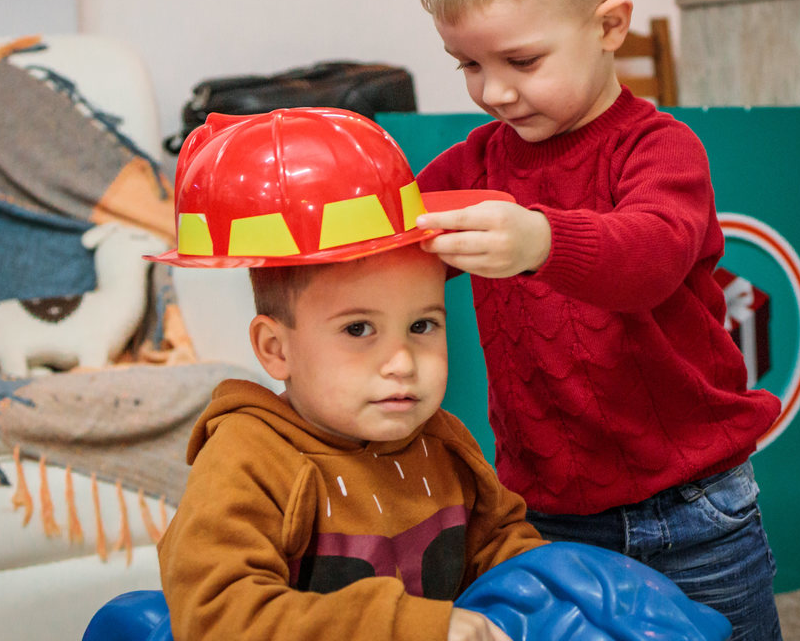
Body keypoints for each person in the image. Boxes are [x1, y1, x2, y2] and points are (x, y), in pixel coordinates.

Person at [415, 0, 784, 641]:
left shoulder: (661, 150)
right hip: (544, 514)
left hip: (692, 513)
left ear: (610, 24)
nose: (494, 93)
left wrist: (539, 239)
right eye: (469, 65)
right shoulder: (478, 164)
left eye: (522, 62)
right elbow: (397, 225)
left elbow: (647, 256)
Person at [150, 108, 546, 641]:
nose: (402, 362)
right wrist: (416, 628)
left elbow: (505, 550)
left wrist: (554, 591)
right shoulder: (248, 461)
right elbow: (220, 618)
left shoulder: (443, 443)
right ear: (275, 350)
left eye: (423, 325)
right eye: (359, 330)